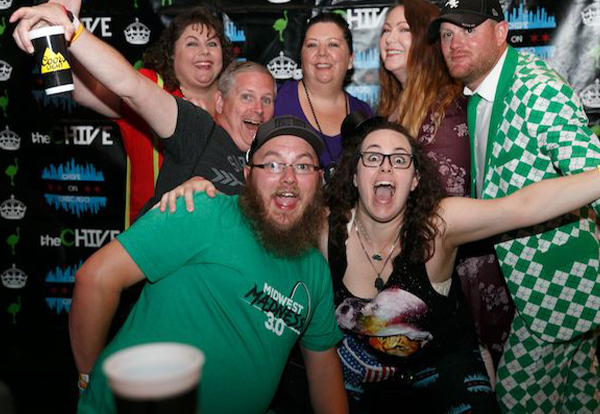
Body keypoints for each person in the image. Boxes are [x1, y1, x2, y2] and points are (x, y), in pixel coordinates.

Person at [159, 117, 600, 413]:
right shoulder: (324, 227)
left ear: (414, 178)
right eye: (372, 157)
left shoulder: (439, 225)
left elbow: (521, 207)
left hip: (442, 369)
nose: (385, 166)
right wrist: (207, 191)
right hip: (355, 376)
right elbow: (267, 210)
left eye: (399, 159)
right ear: (354, 175)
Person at [67, 116, 347, 414]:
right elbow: (96, 279)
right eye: (273, 164)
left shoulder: (315, 269)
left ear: (319, 181)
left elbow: (324, 367)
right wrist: (88, 379)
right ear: (248, 175)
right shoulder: (202, 210)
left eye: (303, 166)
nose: (289, 178)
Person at [428, 0, 600, 412]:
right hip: (540, 288)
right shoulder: (481, 93)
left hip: (562, 287)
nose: (455, 43)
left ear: (502, 32)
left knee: (516, 399)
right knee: (579, 400)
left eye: (469, 29)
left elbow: (594, 175)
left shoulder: (536, 89)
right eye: (447, 34)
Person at [378, 0, 513, 373]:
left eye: (404, 29)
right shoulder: (390, 109)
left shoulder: (446, 108)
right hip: (410, 281)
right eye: (386, 30)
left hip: (459, 286)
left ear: (427, 41)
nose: (389, 38)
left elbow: (442, 209)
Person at [50, 0, 234, 225]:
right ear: (171, 53)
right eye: (192, 43)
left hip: (215, 231)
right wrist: (60, 33)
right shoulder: (150, 86)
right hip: (152, 233)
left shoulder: (237, 99)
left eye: (212, 44)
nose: (204, 52)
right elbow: (83, 91)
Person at [274, 12, 373, 177]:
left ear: (350, 59)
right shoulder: (275, 100)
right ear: (301, 57)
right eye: (312, 45)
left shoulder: (364, 113)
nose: (322, 53)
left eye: (333, 44)